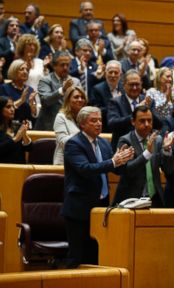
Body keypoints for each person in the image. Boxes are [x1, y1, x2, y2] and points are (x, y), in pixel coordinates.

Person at [61, 106, 134, 268]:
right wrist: (114, 161)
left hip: (101, 206)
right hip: (79, 209)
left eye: (100, 120)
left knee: (95, 257)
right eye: (93, 121)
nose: (98, 124)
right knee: (77, 258)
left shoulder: (104, 143)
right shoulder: (74, 144)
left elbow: (115, 169)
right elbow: (85, 169)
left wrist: (124, 159)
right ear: (82, 124)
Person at [112, 106, 174, 207]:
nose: (147, 124)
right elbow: (127, 171)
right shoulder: (125, 141)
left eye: (149, 120)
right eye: (142, 121)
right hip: (131, 199)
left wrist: (167, 151)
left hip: (155, 199)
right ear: (133, 121)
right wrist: (147, 154)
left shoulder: (158, 140)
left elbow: (169, 170)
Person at [107, 69, 161, 151]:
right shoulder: (115, 102)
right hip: (123, 147)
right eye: (131, 85)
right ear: (124, 85)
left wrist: (148, 111)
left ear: (141, 84)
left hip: (146, 146)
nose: (134, 88)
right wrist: (135, 112)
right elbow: (112, 124)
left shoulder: (148, 101)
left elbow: (159, 124)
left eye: (137, 84)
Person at [35, 51, 80, 131]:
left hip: (71, 126)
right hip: (49, 127)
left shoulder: (75, 81)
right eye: (62, 65)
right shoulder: (45, 80)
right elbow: (45, 100)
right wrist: (62, 90)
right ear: (54, 66)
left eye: (67, 65)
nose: (65, 68)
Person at [53, 86, 87, 165]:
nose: (80, 100)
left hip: (83, 162)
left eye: (82, 97)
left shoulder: (87, 117)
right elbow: (63, 142)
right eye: (76, 97)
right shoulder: (61, 117)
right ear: (68, 100)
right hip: (64, 163)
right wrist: (84, 135)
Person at [0, 59, 37, 124]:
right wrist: (21, 101)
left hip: (27, 126)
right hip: (9, 126)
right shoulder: (4, 88)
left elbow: (34, 114)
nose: (25, 72)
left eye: (27, 70)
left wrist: (32, 105)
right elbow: (2, 110)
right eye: (22, 69)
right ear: (14, 71)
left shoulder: (30, 90)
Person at [91, 60, 124, 132]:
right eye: (110, 72)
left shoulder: (124, 88)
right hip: (105, 128)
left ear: (120, 75)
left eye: (116, 72)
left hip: (122, 128)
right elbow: (96, 111)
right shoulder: (97, 89)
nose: (113, 75)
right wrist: (114, 102)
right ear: (105, 73)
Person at [0, 96, 32, 164]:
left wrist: (24, 135)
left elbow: (29, 148)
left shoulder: (17, 126)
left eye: (13, 106)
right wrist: (15, 139)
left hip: (19, 168)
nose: (12, 109)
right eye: (8, 107)